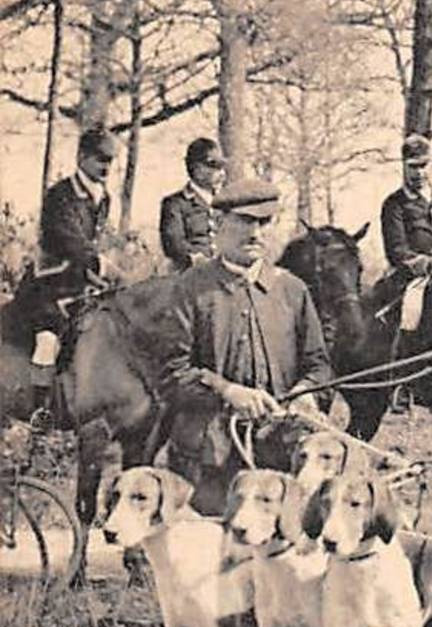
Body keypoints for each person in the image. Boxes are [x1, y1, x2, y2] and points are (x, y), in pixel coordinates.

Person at [160, 180, 332, 515]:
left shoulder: (292, 290)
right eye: (244, 221)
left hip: (279, 459)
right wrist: (227, 391)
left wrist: (306, 393)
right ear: (218, 224)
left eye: (264, 222)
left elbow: (319, 365)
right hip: (209, 461)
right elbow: (169, 373)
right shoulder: (191, 289)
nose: (255, 233)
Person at [15, 127, 118, 421]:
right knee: (47, 341)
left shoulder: (104, 197)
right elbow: (70, 241)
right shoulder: (60, 195)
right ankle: (39, 411)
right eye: (100, 158)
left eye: (111, 160)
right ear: (81, 156)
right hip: (48, 286)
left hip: (81, 285)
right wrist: (102, 265)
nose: (106, 166)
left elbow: (91, 245)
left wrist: (96, 275)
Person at [379, 134, 432, 335]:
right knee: (411, 312)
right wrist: (430, 263)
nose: (419, 173)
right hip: (417, 278)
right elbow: (396, 251)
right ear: (404, 166)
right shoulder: (394, 204)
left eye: (423, 165)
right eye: (412, 167)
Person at [158, 138, 226, 272]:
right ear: (197, 169)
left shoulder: (224, 203)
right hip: (189, 273)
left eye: (221, 167)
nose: (221, 173)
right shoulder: (175, 204)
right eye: (213, 167)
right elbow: (174, 245)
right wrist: (198, 259)